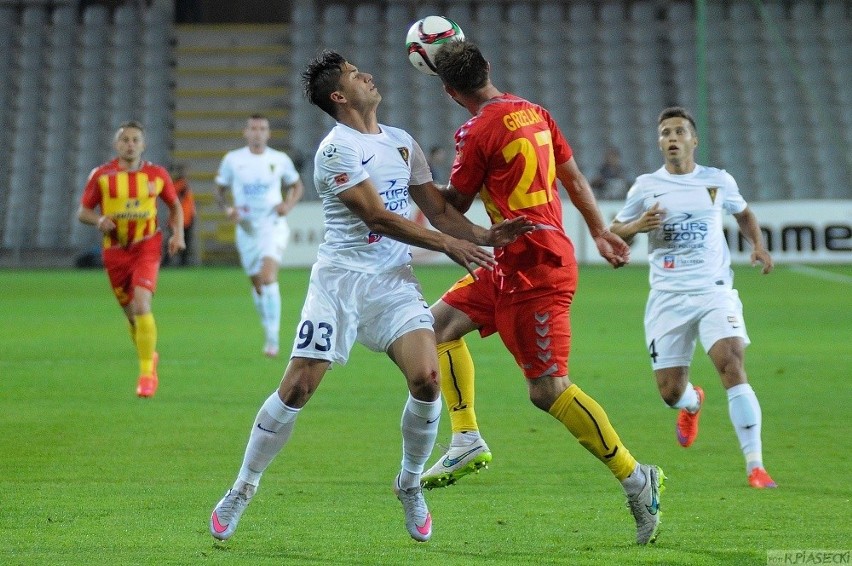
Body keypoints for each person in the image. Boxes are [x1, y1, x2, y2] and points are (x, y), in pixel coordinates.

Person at [208, 50, 533, 544]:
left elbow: (439, 211)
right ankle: (242, 487)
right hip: (339, 283)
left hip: (392, 282)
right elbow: (378, 218)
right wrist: (450, 244)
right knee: (297, 388)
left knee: (427, 379)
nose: (369, 76)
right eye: (357, 75)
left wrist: (484, 236)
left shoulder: (402, 144)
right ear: (339, 96)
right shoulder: (336, 150)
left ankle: (408, 483)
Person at [420, 40, 666, 545]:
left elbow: (455, 207)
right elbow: (571, 175)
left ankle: (637, 477)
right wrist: (600, 230)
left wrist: (411, 181)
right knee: (436, 326)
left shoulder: (474, 132)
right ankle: (466, 437)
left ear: (448, 91)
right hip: (508, 261)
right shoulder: (535, 112)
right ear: (488, 69)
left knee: (547, 389)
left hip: (536, 269)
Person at [609, 106, 777, 489]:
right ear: (659, 142)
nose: (672, 137)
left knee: (731, 362)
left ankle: (756, 465)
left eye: (679, 131)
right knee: (670, 392)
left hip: (713, 291)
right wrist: (638, 225)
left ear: (693, 140)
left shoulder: (717, 181)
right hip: (667, 297)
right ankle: (691, 402)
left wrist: (759, 246)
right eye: (665, 132)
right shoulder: (646, 186)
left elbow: (745, 214)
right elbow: (613, 231)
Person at [76, 120, 185, 398]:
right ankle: (150, 354)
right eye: (125, 139)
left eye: (136, 139)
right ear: (117, 145)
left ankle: (147, 373)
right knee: (133, 316)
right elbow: (83, 212)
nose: (130, 144)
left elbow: (174, 205)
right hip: (115, 252)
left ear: (143, 144)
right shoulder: (101, 176)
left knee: (141, 304)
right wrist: (99, 219)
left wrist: (177, 235)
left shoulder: (157, 175)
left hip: (146, 246)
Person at [215, 114, 305, 357]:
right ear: (246, 132)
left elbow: (297, 186)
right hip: (246, 229)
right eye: (253, 128)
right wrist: (228, 209)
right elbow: (220, 192)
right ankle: (267, 330)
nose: (257, 132)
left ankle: (273, 341)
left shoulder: (279, 159)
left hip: (272, 225)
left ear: (268, 133)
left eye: (262, 128)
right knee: (257, 285)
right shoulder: (233, 160)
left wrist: (288, 205)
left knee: (267, 277)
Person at [162, 162, 196, 267]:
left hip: (187, 217)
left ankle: (178, 262)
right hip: (181, 218)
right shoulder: (181, 184)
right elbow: (176, 202)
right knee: (178, 240)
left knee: (183, 240)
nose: (186, 173)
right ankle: (168, 262)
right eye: (184, 171)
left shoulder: (178, 184)